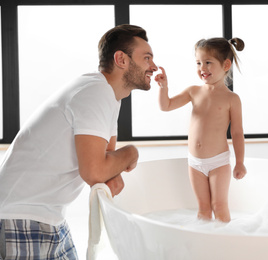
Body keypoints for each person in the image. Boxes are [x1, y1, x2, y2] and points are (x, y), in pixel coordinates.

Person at [0, 24, 158, 259]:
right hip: (22, 217)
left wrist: (110, 167)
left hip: (48, 218)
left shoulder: (110, 97)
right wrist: (132, 152)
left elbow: (107, 169)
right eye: (147, 58)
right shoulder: (95, 92)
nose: (154, 67)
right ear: (121, 59)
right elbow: (95, 171)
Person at [155, 37, 247, 223]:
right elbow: (166, 106)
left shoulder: (231, 99)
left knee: (219, 206)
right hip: (195, 162)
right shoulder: (193, 91)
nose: (202, 68)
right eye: (198, 63)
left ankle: (225, 244)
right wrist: (164, 87)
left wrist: (239, 162)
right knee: (203, 209)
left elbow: (237, 133)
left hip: (218, 162)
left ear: (226, 64)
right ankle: (203, 246)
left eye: (208, 63)